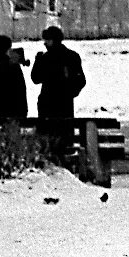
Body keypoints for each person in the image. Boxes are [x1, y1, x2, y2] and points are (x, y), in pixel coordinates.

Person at [30, 25, 85, 162]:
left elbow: (36, 78)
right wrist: (70, 93)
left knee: (48, 135)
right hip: (64, 102)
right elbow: (80, 80)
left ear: (53, 40)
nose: (45, 43)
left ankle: (50, 159)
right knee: (64, 135)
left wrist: (37, 61)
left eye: (47, 40)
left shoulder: (46, 58)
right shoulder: (72, 56)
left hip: (47, 102)